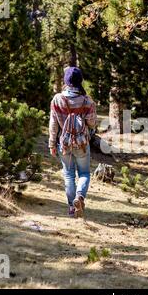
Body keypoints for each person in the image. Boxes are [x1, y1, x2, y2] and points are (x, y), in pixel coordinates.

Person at [49, 67, 97, 218]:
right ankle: (80, 197)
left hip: (64, 143)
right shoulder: (87, 101)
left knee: (68, 174)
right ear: (80, 81)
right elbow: (92, 123)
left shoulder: (57, 99)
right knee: (84, 173)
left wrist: (51, 143)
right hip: (82, 144)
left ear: (66, 81)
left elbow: (53, 124)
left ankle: (71, 207)